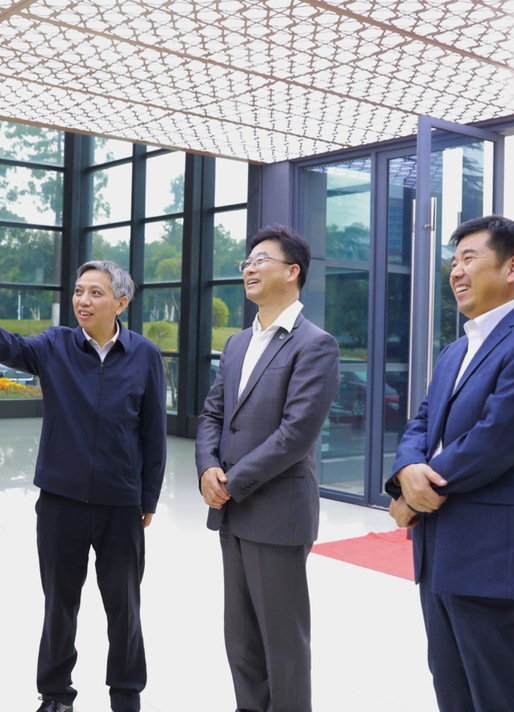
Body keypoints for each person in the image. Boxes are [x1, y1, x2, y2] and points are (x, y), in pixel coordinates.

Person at [0, 260, 166, 712]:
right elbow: (10, 347)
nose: (83, 300)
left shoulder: (145, 355)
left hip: (120, 503)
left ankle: (126, 694)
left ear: (120, 303)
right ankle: (56, 694)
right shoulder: (56, 345)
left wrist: (148, 497)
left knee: (125, 606)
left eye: (95, 293)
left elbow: (153, 434)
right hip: (61, 501)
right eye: (79, 291)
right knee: (60, 604)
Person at [386, 215, 514, 712]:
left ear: (513, 267)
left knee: (503, 700)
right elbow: (422, 423)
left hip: (498, 563)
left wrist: (414, 495)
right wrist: (405, 472)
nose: (456, 271)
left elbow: (494, 440)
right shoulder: (456, 350)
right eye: (453, 261)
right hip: (439, 556)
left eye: (469, 258)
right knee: (453, 697)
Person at [195, 225, 340, 712]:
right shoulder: (238, 343)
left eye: (261, 260)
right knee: (241, 642)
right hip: (231, 511)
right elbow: (213, 414)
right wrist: (207, 468)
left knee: (284, 647)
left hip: (277, 514)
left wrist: (231, 482)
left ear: (292, 271)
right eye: (247, 262)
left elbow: (295, 435)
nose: (249, 269)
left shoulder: (315, 345)